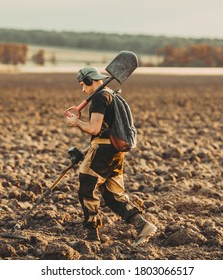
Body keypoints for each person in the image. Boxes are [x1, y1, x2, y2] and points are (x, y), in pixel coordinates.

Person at [66, 66, 157, 246]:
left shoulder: (100, 97)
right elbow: (106, 131)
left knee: (87, 187)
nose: (83, 89)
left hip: (102, 153)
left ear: (91, 81)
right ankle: (142, 225)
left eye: (83, 85)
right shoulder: (111, 95)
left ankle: (92, 236)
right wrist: (86, 151)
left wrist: (76, 122)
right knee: (112, 195)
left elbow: (94, 128)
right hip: (115, 153)